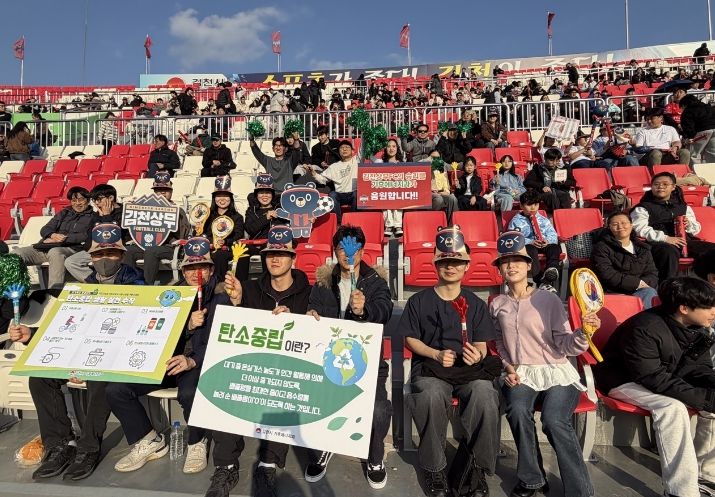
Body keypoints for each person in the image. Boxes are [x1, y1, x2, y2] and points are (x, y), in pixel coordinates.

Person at [9, 223, 143, 481]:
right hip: (85, 352)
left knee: (99, 378)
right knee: (40, 377)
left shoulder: (140, 285)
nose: (104, 259)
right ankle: (60, 444)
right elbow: (70, 328)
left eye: (111, 253)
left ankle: (88, 447)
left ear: (122, 255)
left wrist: (86, 363)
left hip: (119, 356)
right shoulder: (86, 286)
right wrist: (31, 335)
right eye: (99, 254)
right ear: (90, 257)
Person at [490, 230, 597, 497]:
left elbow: (565, 343)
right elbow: (498, 343)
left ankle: (580, 491)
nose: (511, 266)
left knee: (554, 420)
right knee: (517, 410)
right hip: (520, 372)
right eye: (505, 262)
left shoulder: (548, 299)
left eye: (517, 260)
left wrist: (583, 333)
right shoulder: (497, 303)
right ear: (500, 269)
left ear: (529, 266)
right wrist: (507, 366)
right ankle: (532, 479)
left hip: (556, 371)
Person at [207, 226, 312, 497]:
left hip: (288, 371)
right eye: (269, 254)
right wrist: (236, 302)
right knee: (225, 383)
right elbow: (233, 331)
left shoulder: (310, 293)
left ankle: (268, 465)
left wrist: (304, 320)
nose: (274, 258)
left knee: (283, 390)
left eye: (281, 253)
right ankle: (226, 466)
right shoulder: (251, 288)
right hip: (253, 366)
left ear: (293, 258)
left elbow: (319, 332)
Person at [401, 225, 500, 497]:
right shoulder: (418, 301)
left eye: (457, 261)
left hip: (468, 371)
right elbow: (410, 338)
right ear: (436, 265)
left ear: (467, 266)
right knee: (430, 395)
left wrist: (477, 354)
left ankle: (476, 467)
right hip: (432, 368)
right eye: (445, 261)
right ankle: (435, 467)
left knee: (485, 395)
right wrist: (434, 353)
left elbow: (482, 344)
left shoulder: (475, 304)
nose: (450, 266)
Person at [593, 277, 715, 497]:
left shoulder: (698, 328)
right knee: (673, 408)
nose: (713, 312)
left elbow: (700, 368)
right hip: (622, 380)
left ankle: (705, 475)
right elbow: (652, 378)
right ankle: (681, 491)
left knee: (711, 409)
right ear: (684, 308)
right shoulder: (644, 328)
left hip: (661, 377)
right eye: (708, 306)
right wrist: (705, 398)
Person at [107, 237, 218, 475]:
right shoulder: (170, 294)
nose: (195, 273)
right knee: (116, 389)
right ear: (183, 271)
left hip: (196, 364)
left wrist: (192, 360)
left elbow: (220, 342)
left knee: (189, 393)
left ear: (210, 270)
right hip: (166, 362)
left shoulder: (222, 296)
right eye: (190, 268)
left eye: (201, 267)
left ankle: (197, 441)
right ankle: (149, 440)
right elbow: (154, 330)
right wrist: (187, 326)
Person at [303, 225, 394, 489]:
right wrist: (310, 315)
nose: (347, 254)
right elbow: (313, 309)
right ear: (335, 251)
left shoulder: (375, 282)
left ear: (362, 251)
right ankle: (323, 447)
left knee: (379, 409)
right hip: (328, 363)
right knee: (313, 399)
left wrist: (364, 311)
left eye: (353, 248)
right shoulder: (323, 283)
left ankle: (375, 457)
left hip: (368, 365)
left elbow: (384, 310)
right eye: (342, 249)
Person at [630, 172, 715, 280]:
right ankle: (668, 285)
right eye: (656, 184)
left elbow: (695, 229)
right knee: (668, 252)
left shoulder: (683, 207)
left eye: (665, 184)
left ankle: (707, 283)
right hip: (658, 243)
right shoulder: (643, 208)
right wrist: (666, 238)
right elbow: (639, 229)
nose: (660, 187)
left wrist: (688, 225)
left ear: (673, 187)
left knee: (711, 250)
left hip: (684, 241)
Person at [14, 186, 94, 289]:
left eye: (81, 200)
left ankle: (53, 292)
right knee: (16, 254)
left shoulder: (93, 216)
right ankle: (15, 291)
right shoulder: (64, 213)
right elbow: (45, 229)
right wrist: (52, 235)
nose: (77, 203)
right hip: (46, 247)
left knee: (55, 252)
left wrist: (63, 239)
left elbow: (86, 235)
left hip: (71, 249)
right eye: (74, 200)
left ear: (88, 200)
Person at [123, 172, 191, 285]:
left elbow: (182, 236)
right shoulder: (145, 208)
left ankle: (146, 285)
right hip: (148, 244)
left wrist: (171, 224)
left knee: (151, 251)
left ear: (171, 192)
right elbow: (137, 231)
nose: (162, 192)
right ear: (154, 192)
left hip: (170, 247)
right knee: (129, 251)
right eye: (158, 190)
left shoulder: (178, 210)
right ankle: (128, 283)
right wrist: (134, 211)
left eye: (166, 190)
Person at [591, 211, 659, 308]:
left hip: (642, 290)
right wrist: (637, 283)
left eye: (624, 223)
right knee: (649, 293)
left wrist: (644, 284)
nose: (620, 227)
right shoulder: (601, 248)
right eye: (615, 224)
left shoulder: (643, 248)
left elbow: (652, 272)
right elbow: (607, 274)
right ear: (609, 227)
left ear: (631, 225)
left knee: (651, 292)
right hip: (614, 291)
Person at [64, 183, 125, 283]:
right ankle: (96, 283)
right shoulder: (96, 215)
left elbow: (115, 236)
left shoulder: (125, 213)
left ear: (111, 198)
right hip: (96, 249)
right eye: (94, 200)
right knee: (71, 262)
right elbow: (89, 238)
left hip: (115, 250)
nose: (96, 203)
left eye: (99, 199)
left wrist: (106, 216)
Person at [507, 189, 562, 291]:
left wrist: (547, 241)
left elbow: (552, 234)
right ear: (521, 206)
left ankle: (552, 269)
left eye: (536, 204)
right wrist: (530, 241)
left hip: (543, 244)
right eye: (529, 205)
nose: (533, 207)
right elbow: (513, 237)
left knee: (555, 247)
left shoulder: (543, 219)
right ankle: (540, 280)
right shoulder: (516, 221)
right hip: (529, 246)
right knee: (530, 250)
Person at [203, 176, 245, 280]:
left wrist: (225, 241)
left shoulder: (237, 216)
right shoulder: (207, 215)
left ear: (231, 198)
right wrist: (211, 241)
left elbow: (239, 234)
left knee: (220, 255)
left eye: (225, 195)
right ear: (214, 198)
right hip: (209, 247)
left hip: (227, 248)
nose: (222, 199)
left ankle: (220, 284)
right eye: (218, 195)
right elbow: (202, 234)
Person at [308, 139, 358, 224]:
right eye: (342, 148)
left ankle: (353, 221)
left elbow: (363, 149)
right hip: (340, 194)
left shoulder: (357, 160)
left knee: (357, 194)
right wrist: (313, 172)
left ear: (352, 151)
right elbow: (322, 179)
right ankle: (338, 223)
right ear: (339, 151)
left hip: (353, 192)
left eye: (347, 147)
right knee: (332, 194)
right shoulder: (334, 166)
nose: (344, 149)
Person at [674, 87, 715, 164]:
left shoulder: (688, 111)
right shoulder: (708, 107)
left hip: (702, 132)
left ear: (684, 105)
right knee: (712, 153)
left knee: (694, 154)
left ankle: (694, 170)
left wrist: (690, 137)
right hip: (714, 129)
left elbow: (688, 127)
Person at [374, 138, 405, 237]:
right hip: (384, 189)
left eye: (393, 146)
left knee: (399, 195)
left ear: (397, 148)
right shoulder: (379, 162)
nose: (391, 149)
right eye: (388, 146)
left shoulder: (403, 163)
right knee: (384, 195)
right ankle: (389, 225)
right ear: (385, 149)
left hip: (399, 189)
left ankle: (398, 225)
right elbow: (368, 156)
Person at [429, 153, 459, 223]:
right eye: (433, 158)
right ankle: (433, 222)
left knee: (453, 198)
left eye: (438, 158)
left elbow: (446, 187)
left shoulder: (443, 169)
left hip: (441, 193)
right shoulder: (425, 168)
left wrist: (445, 191)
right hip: (430, 193)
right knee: (439, 199)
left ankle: (451, 224)